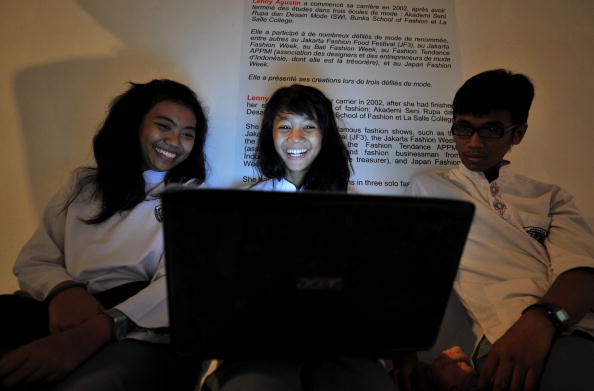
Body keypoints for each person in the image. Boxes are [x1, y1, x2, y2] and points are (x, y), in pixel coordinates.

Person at [0, 79, 208, 390]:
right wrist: (63, 292)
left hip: (136, 325)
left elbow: (177, 284)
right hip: (64, 309)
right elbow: (37, 258)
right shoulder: (83, 185)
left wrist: (97, 329)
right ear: (134, 124)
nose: (175, 141)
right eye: (164, 126)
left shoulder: (191, 196)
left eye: (187, 134)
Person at [406, 69, 594, 391]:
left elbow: (582, 273)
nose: (474, 143)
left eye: (491, 130)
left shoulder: (549, 197)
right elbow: (407, 274)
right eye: (463, 128)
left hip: (571, 327)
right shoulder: (429, 187)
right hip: (500, 339)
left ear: (517, 133)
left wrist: (542, 321)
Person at [204, 84, 396, 391]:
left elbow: (373, 290)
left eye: (309, 126)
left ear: (325, 136)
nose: (296, 138)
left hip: (339, 345)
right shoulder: (240, 208)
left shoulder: (358, 209)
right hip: (259, 344)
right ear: (270, 133)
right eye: (284, 126)